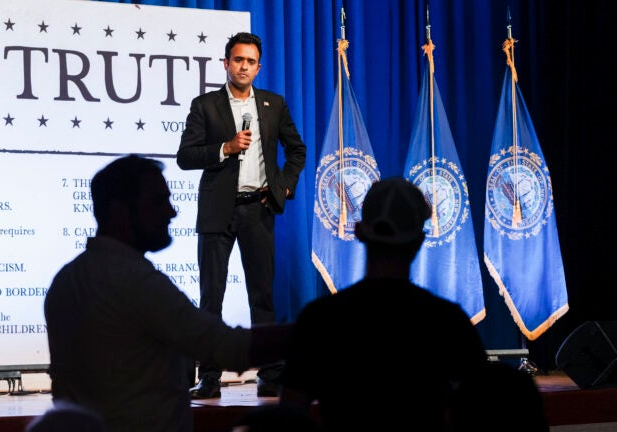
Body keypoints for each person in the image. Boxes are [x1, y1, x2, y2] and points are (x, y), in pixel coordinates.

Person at [44, 155, 290, 432]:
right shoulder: (134, 282)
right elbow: (229, 348)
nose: (171, 212)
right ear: (119, 212)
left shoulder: (65, 281)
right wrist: (315, 329)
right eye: (158, 202)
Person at [279, 177, 489, 431]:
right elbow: (480, 412)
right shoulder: (448, 321)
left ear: (358, 231)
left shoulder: (320, 319)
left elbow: (289, 417)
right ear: (419, 241)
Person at [176, 31, 307, 400]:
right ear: (226, 63)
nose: (244, 66)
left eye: (250, 61)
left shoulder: (273, 105)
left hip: (258, 209)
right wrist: (225, 147)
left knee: (262, 296)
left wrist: (282, 186)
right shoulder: (206, 105)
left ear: (258, 66)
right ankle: (211, 377)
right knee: (211, 297)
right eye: (238, 60)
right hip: (218, 210)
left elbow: (297, 150)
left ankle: (269, 374)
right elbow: (185, 156)